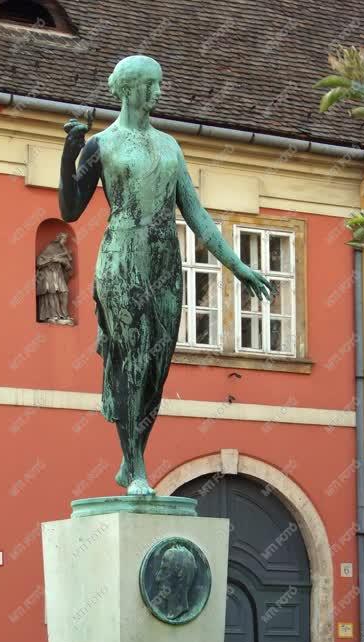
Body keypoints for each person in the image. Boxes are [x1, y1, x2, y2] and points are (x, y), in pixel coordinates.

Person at [60, 54, 270, 496]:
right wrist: (69, 155)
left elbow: (197, 216)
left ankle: (131, 455)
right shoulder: (103, 145)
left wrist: (238, 266)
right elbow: (70, 209)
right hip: (121, 257)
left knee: (157, 367)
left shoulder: (170, 147)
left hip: (164, 263)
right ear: (131, 89)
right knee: (134, 359)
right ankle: (136, 468)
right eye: (152, 85)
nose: (159, 92)